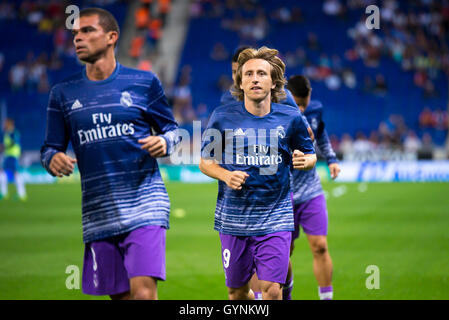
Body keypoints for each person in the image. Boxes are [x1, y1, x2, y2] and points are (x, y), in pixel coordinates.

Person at [40, 8, 179, 300]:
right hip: (98, 212)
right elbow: (49, 148)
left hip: (145, 203)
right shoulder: (63, 93)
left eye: (87, 31)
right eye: (75, 33)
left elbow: (174, 130)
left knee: (143, 295)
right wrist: (51, 159)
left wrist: (165, 142)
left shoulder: (144, 83)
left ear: (112, 37)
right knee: (122, 297)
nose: (78, 38)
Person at [199, 47, 317, 300]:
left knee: (272, 291)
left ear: (273, 81)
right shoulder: (221, 117)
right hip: (233, 218)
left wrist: (304, 160)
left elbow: (311, 154)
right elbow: (205, 162)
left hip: (276, 215)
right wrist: (225, 175)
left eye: (261, 73)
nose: (254, 78)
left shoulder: (290, 116)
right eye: (248, 74)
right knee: (237, 293)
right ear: (240, 82)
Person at [285, 75, 341, 300]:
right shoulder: (275, 112)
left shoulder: (316, 109)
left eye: (303, 103)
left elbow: (321, 134)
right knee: (282, 253)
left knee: (320, 246)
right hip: (283, 194)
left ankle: (326, 298)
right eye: (295, 103)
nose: (300, 108)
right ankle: (286, 291)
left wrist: (332, 158)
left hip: (310, 191)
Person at [220, 45, 299, 109]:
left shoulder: (283, 96)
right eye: (235, 72)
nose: (239, 77)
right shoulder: (228, 99)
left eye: (248, 73)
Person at [0, 118, 27, 201]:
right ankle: (4, 193)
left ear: (10, 124)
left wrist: (3, 147)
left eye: (6, 123)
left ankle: (21, 194)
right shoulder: (6, 134)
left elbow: (13, 143)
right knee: (3, 172)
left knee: (15, 173)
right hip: (8, 156)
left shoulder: (14, 133)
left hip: (13, 156)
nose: (4, 125)